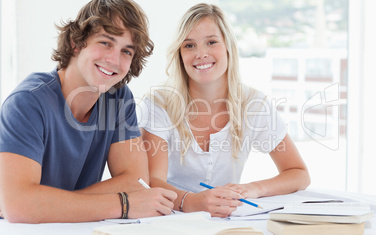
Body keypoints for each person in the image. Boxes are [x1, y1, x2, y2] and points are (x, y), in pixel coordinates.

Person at [0, 0, 177, 223]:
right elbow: (19, 207)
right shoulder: (27, 103)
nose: (114, 60)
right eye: (105, 42)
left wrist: (45, 205)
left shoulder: (118, 98)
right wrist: (124, 204)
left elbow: (135, 181)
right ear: (76, 43)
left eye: (126, 51)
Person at [139, 3, 310, 218]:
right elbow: (153, 181)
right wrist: (191, 201)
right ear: (180, 55)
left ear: (228, 46)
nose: (201, 54)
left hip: (225, 221)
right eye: (189, 45)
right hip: (168, 217)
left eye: (211, 42)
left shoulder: (254, 104)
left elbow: (299, 174)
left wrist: (254, 188)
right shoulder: (158, 103)